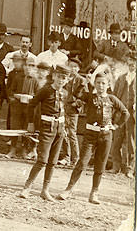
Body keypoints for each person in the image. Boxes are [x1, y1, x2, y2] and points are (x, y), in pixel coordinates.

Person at [56, 72, 129, 204]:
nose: (100, 86)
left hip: (106, 136)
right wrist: (84, 82)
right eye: (98, 83)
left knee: (100, 166)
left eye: (103, 83)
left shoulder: (112, 99)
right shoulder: (89, 97)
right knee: (82, 162)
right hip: (90, 135)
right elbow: (76, 95)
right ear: (94, 84)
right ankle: (68, 189)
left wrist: (116, 125)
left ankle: (94, 193)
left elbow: (125, 113)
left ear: (108, 85)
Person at [18, 64, 71, 201]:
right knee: (42, 160)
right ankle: (27, 188)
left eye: (64, 78)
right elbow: (32, 104)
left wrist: (64, 127)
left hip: (59, 129)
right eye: (59, 77)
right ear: (54, 76)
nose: (61, 80)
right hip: (46, 128)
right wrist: (31, 123)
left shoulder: (65, 93)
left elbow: (64, 111)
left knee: (52, 162)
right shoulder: (45, 90)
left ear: (67, 80)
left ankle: (45, 190)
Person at [59, 57, 88, 166]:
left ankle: (75, 158)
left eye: (75, 67)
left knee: (71, 133)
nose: (73, 69)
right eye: (71, 66)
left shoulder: (81, 80)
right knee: (63, 132)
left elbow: (85, 97)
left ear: (79, 69)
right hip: (62, 107)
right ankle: (66, 156)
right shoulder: (64, 78)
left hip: (72, 109)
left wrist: (77, 103)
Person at [110, 53, 135, 176]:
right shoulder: (121, 78)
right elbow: (114, 96)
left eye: (134, 61)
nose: (132, 64)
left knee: (131, 142)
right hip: (120, 114)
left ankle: (130, 168)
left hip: (133, 114)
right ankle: (116, 166)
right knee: (116, 141)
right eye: (130, 61)